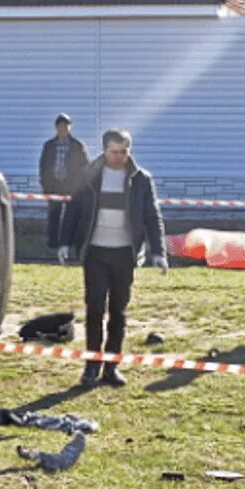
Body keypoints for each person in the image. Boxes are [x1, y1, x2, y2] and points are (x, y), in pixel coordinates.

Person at [58, 129, 166, 388]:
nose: (121, 157)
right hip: (95, 252)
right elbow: (72, 210)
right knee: (95, 310)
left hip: (124, 254)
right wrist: (63, 242)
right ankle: (91, 366)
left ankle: (111, 367)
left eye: (125, 151)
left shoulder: (141, 179)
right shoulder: (88, 176)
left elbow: (152, 216)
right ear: (105, 150)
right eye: (115, 152)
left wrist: (159, 252)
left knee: (118, 312)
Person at [39, 113, 89, 249]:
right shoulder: (49, 145)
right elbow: (43, 166)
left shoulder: (78, 145)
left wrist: (80, 186)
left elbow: (85, 166)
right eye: (60, 126)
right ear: (56, 127)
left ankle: (68, 242)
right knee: (53, 215)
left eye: (66, 126)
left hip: (71, 187)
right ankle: (53, 243)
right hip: (54, 185)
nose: (63, 129)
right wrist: (45, 185)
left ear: (70, 127)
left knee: (71, 216)